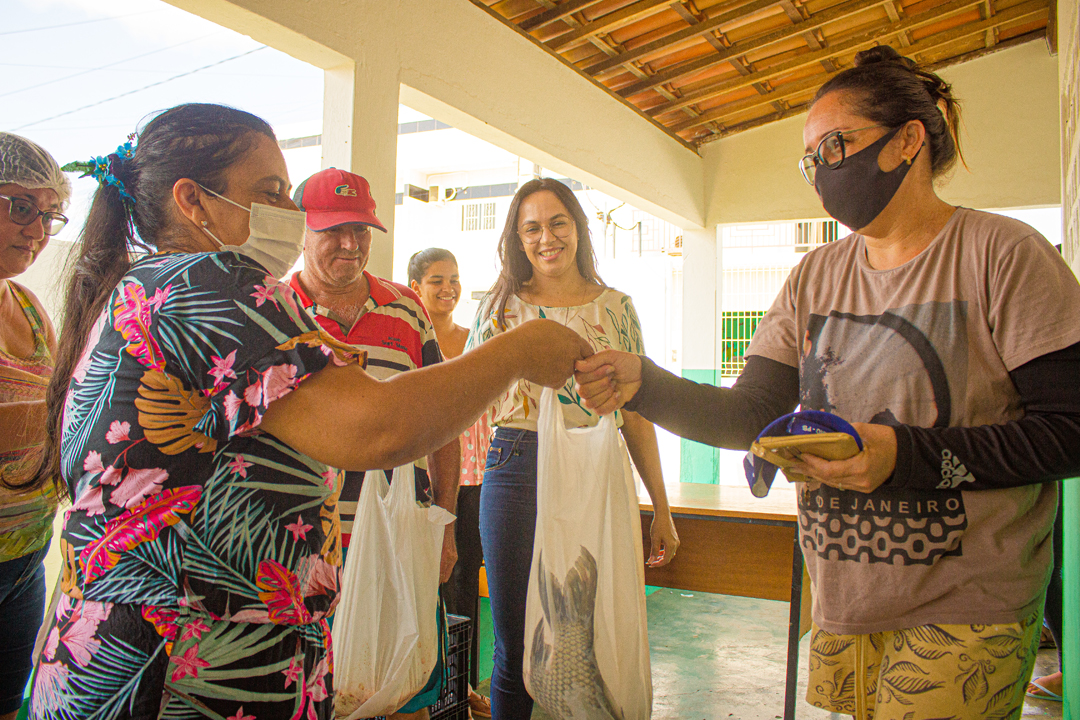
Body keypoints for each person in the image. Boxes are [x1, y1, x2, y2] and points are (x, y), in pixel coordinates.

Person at [22, 103, 591, 720]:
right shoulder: (208, 282)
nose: (288, 214)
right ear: (193, 200)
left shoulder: (154, 285)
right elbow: (376, 428)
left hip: (195, 641)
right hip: (181, 662)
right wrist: (519, 351)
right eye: (269, 192)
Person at [575, 46, 1080, 720]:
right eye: (810, 157)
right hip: (846, 598)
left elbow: (1069, 431)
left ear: (908, 141)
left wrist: (902, 457)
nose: (821, 170)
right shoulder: (814, 276)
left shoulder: (1002, 254)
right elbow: (748, 414)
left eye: (835, 145)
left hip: (968, 602)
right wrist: (646, 383)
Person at [467, 178, 680, 718]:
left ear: (579, 228)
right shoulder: (498, 308)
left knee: (591, 633)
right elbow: (464, 395)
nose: (547, 238)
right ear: (517, 239)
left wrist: (661, 507)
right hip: (516, 467)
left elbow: (636, 414)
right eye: (531, 228)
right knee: (516, 644)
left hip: (597, 471)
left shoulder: (617, 307)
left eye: (557, 223)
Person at [289, 168, 461, 720]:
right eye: (332, 229)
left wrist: (445, 525)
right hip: (300, 547)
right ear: (301, 229)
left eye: (360, 230)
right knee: (316, 693)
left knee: (406, 688)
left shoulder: (406, 310)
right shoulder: (275, 310)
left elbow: (443, 417)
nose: (350, 244)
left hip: (398, 534)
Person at [0, 133, 68, 720]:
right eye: (22, 207)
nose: (37, 231)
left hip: (24, 554)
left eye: (48, 215)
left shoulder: (25, 305)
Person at [407, 247, 491, 719]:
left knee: (465, 585)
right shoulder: (412, 342)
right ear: (415, 287)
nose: (448, 288)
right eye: (437, 280)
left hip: (479, 482)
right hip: (430, 482)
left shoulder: (475, 339)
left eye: (454, 279)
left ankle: (464, 687)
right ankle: (428, 686)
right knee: (430, 587)